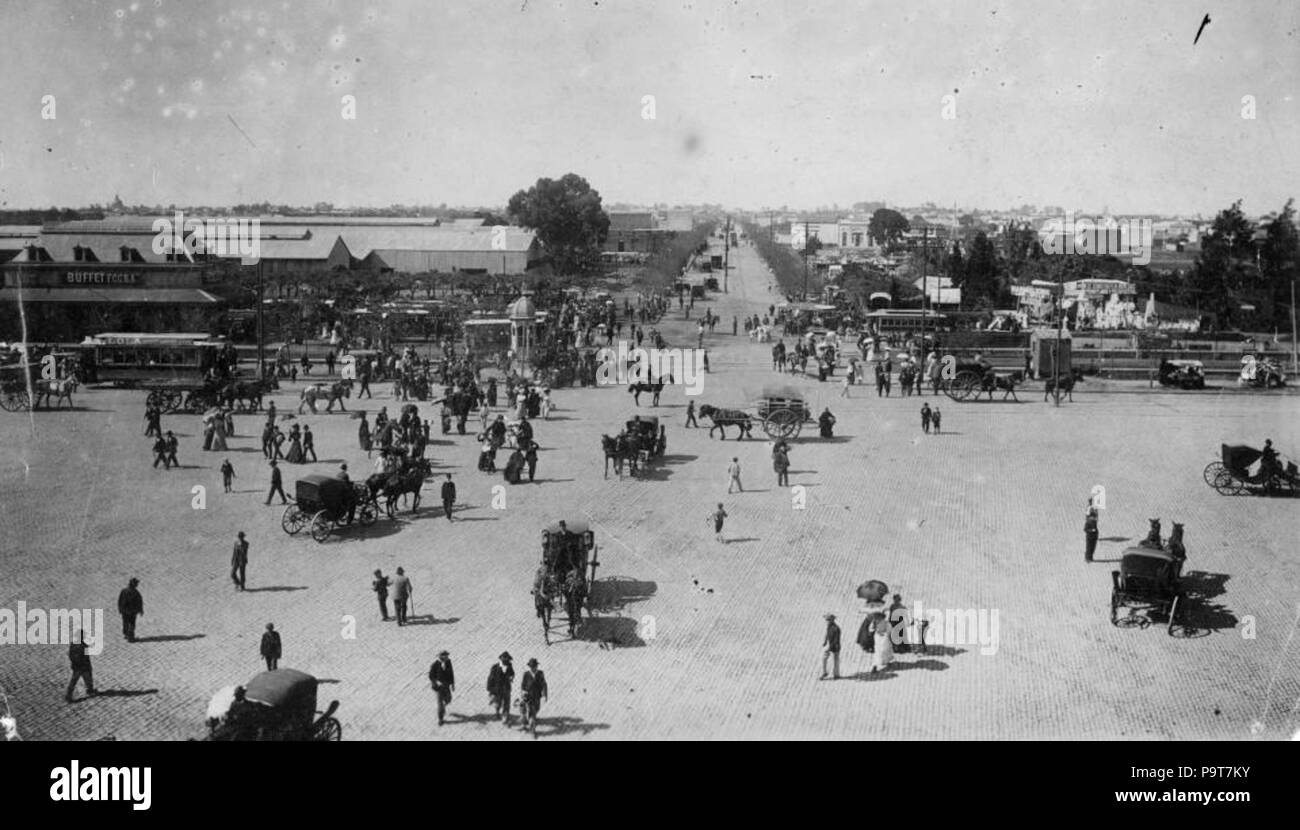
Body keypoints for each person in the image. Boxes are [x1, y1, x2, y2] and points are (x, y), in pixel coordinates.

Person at [65, 631, 96, 703]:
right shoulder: (83, 645)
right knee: (84, 678)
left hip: (77, 666)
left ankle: (69, 695)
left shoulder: (73, 644)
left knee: (76, 680)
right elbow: (85, 656)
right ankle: (89, 690)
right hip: (83, 666)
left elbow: (70, 655)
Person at [520, 657, 547, 736]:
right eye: (531, 667)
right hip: (528, 697)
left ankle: (528, 721)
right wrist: (523, 692)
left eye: (534, 666)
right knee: (532, 713)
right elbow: (523, 685)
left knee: (536, 709)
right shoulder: (526, 674)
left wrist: (544, 695)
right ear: (529, 667)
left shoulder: (540, 674)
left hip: (537, 697)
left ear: (537, 666)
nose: (533, 668)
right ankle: (532, 731)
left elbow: (544, 684)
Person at [487, 652, 515, 725]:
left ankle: (505, 718)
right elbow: (490, 679)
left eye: (508, 660)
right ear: (501, 659)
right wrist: (490, 689)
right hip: (497, 689)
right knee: (498, 703)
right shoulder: (495, 667)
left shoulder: (509, 666)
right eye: (505, 660)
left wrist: (511, 677)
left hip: (506, 689)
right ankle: (497, 711)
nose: (507, 661)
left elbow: (512, 673)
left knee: (507, 704)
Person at [429, 650, 455, 726]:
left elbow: (451, 673)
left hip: (446, 685)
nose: (447, 657)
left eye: (447, 655)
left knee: (448, 699)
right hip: (439, 687)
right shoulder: (435, 665)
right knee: (440, 703)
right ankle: (440, 719)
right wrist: (436, 682)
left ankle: (444, 706)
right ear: (440, 656)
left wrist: (452, 684)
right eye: (445, 656)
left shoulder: (448, 662)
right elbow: (431, 676)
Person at [117, 577, 143, 642]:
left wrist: (120, 609)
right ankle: (131, 638)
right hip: (132, 611)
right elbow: (139, 602)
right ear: (134, 584)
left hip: (125, 611)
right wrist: (140, 610)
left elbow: (120, 601)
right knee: (131, 623)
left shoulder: (124, 591)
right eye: (136, 584)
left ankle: (126, 634)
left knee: (125, 622)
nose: (137, 585)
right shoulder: (136, 592)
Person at [820, 613, 841, 680]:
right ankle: (824, 671)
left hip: (835, 646)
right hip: (829, 644)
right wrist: (825, 641)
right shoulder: (828, 626)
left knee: (835, 660)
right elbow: (827, 634)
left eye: (828, 620)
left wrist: (830, 647)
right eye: (826, 620)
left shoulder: (836, 629)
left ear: (832, 620)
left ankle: (836, 674)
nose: (827, 621)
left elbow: (836, 640)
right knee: (823, 657)